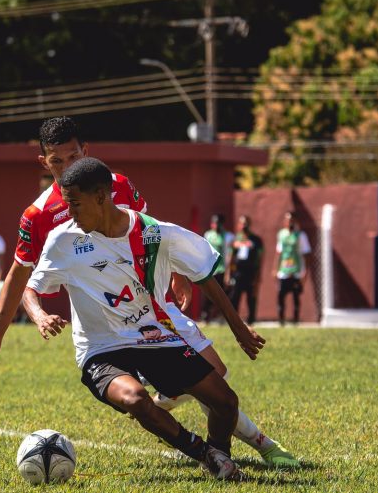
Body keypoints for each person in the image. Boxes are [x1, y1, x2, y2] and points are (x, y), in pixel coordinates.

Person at [0, 117, 299, 469]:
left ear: (86, 152)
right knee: (143, 395)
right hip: (102, 324)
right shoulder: (39, 217)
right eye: (57, 161)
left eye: (73, 157)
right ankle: (253, 444)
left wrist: (179, 275)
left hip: (153, 309)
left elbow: (152, 237)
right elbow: (21, 277)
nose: (66, 168)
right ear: (43, 162)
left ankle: (181, 416)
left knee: (217, 377)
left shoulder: (117, 185)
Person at [24, 157, 270, 480]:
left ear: (101, 197)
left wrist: (239, 329)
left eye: (75, 204)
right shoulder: (64, 240)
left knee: (225, 402)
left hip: (153, 337)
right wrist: (40, 315)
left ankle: (220, 457)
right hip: (100, 349)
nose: (70, 213)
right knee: (136, 398)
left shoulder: (152, 232)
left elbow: (204, 274)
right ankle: (204, 453)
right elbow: (31, 289)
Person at [273, 211, 311, 325]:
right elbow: (278, 253)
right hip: (284, 270)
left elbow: (306, 253)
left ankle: (295, 320)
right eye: (287, 220)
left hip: (296, 270)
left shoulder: (301, 236)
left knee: (296, 296)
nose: (289, 223)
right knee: (281, 295)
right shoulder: (281, 234)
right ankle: (281, 320)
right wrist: (275, 268)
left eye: (291, 220)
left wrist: (305, 271)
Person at [228, 215, 264, 324]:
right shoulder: (235, 240)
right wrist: (228, 274)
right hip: (238, 273)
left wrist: (258, 275)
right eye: (242, 223)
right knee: (235, 296)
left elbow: (260, 258)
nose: (244, 226)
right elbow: (230, 257)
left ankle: (251, 320)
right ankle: (235, 320)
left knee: (251, 297)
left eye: (246, 223)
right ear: (239, 225)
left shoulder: (256, 240)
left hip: (250, 273)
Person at [200, 214, 233, 323]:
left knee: (222, 294)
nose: (216, 225)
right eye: (214, 223)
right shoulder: (208, 235)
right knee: (208, 294)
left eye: (218, 223)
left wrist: (228, 273)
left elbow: (228, 255)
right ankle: (205, 316)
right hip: (210, 269)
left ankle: (222, 317)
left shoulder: (227, 236)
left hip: (221, 269)